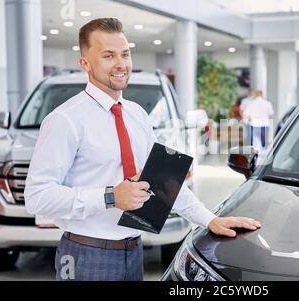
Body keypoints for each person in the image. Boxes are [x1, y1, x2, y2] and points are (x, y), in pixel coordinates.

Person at [24, 18, 261, 281]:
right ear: (85, 64)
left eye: (125, 54)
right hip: (86, 255)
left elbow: (161, 183)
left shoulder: (137, 115)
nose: (120, 64)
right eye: (108, 55)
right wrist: (110, 197)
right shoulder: (65, 120)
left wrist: (209, 219)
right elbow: (37, 197)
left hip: (134, 251)